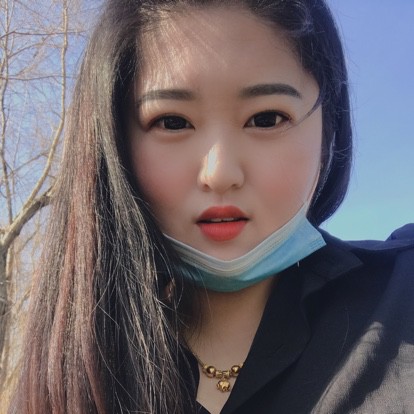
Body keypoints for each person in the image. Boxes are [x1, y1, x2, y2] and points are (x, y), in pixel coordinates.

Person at [9, 1, 414, 413]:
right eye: (172, 122)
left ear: (328, 129)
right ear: (114, 143)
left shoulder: (404, 290)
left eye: (267, 118)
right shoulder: (70, 366)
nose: (219, 174)